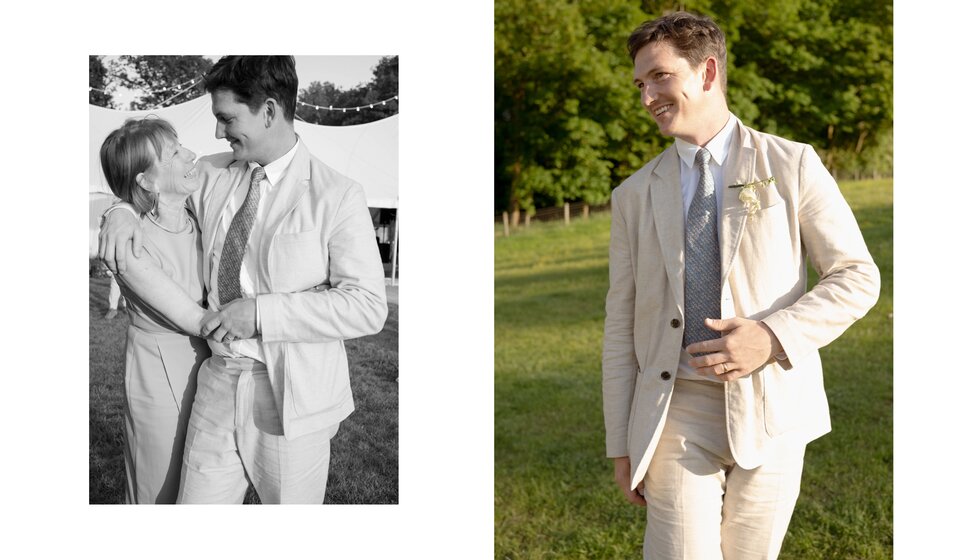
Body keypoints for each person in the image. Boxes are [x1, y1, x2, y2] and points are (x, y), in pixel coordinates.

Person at [602, 12, 880, 559]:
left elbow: (857, 275)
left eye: (658, 76)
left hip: (774, 405)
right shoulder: (632, 196)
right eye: (640, 84)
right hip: (677, 405)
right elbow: (620, 322)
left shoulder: (792, 162)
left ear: (706, 72)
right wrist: (621, 441)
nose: (647, 96)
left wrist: (772, 337)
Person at [100, 56, 388, 504]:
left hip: (293, 396)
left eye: (226, 118)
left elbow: (368, 305)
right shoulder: (214, 174)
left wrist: (260, 313)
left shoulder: (337, 194)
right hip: (215, 379)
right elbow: (151, 184)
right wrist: (118, 211)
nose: (217, 133)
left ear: (269, 111)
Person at [99, 117, 213, 503]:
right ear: (146, 181)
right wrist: (121, 211)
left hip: (213, 368)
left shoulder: (201, 215)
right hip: (161, 368)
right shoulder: (131, 238)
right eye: (175, 153)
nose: (192, 154)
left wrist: (119, 208)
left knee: (203, 485)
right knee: (159, 486)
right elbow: (191, 317)